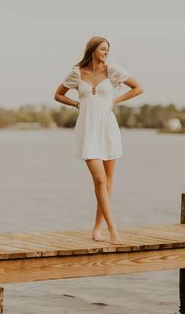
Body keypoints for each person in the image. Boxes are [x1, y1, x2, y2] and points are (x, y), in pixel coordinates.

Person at [54, 36, 144, 244]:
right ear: (92, 49)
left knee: (107, 183)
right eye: (103, 49)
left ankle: (97, 229)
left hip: (107, 128)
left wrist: (115, 100)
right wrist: (76, 104)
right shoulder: (77, 73)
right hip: (87, 130)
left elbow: (138, 88)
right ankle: (113, 230)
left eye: (108, 49)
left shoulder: (112, 70)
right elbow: (58, 95)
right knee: (100, 180)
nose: (106, 52)